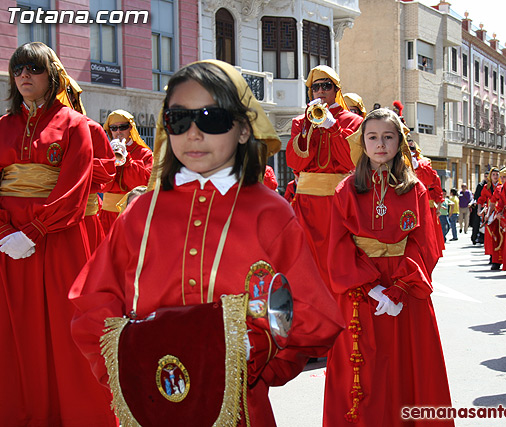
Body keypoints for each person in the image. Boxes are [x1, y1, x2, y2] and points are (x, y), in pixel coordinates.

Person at [70, 60, 345, 427]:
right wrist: (129, 364)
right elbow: (92, 303)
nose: (194, 133)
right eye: (179, 120)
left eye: (211, 118)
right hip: (150, 406)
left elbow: (314, 317)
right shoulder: (141, 213)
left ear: (244, 129)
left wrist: (251, 362)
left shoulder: (270, 214)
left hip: (240, 411)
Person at [0, 42, 115, 425]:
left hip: (60, 239)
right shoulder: (1, 128)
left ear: (52, 75)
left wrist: (33, 231)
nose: (23, 76)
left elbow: (74, 186)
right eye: (18, 69)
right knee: (14, 334)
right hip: (7, 244)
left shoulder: (75, 125)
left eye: (33, 69)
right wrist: (5, 232)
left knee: (69, 333)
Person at [324, 108, 451, 426]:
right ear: (363, 143)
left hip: (405, 293)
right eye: (373, 136)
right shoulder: (346, 190)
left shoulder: (416, 190)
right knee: (365, 373)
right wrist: (371, 287)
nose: (380, 143)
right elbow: (338, 246)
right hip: (359, 292)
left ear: (399, 142)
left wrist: (399, 289)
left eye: (388, 136)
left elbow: (425, 245)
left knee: (407, 368)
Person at [286, 65, 363, 286]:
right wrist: (308, 127)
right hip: (307, 205)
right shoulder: (300, 122)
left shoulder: (354, 122)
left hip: (339, 203)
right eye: (315, 88)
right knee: (306, 264)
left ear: (336, 90)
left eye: (326, 86)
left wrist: (332, 126)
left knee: (339, 262)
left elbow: (351, 161)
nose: (320, 92)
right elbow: (294, 162)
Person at [61, 75, 116, 252]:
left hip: (83, 218)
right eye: (115, 128)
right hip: (36, 218)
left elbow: (107, 174)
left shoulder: (91, 128)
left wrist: (75, 163)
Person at [100, 109, 154, 233]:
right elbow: (102, 185)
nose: (118, 132)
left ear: (130, 128)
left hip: (132, 213)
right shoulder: (106, 152)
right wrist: (109, 159)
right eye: (113, 128)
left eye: (122, 127)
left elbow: (142, 184)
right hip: (107, 214)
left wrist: (127, 159)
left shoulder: (144, 153)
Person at [409, 137, 445, 256]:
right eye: (407, 148)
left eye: (412, 148)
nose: (410, 150)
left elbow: (432, 182)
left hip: (424, 206)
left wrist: (417, 165)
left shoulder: (424, 163)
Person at [478, 167, 502, 269]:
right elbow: (481, 199)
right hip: (490, 211)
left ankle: (499, 256)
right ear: (490, 176)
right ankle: (492, 255)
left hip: (499, 210)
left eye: (497, 175)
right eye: (494, 175)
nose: (495, 177)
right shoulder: (486, 187)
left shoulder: (502, 186)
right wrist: (480, 210)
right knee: (490, 235)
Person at [470, 171, 489, 245]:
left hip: (488, 205)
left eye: (488, 176)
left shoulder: (490, 185)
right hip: (480, 206)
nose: (486, 178)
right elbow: (477, 196)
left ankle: (483, 238)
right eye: (485, 176)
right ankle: (474, 238)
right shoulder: (481, 185)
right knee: (476, 223)